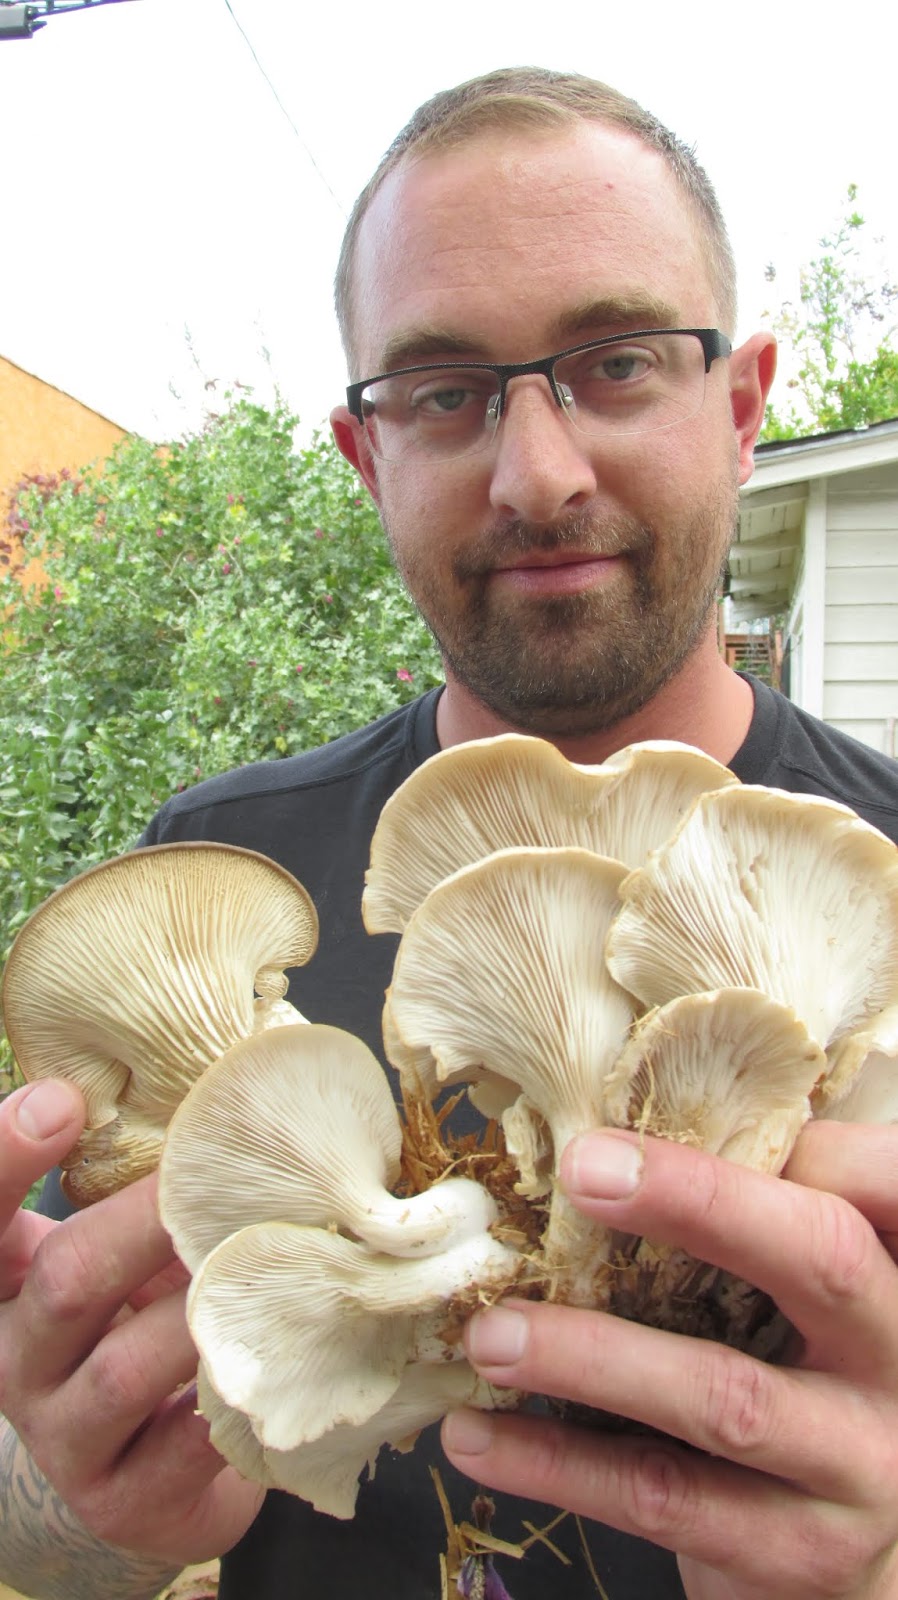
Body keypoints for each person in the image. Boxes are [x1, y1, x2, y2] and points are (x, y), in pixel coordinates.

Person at [2, 64, 898, 1600]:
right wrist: (82, 1501)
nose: (536, 471)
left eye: (614, 363)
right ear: (367, 460)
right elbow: (40, 1522)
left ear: (741, 407)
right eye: (443, 391)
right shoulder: (221, 869)